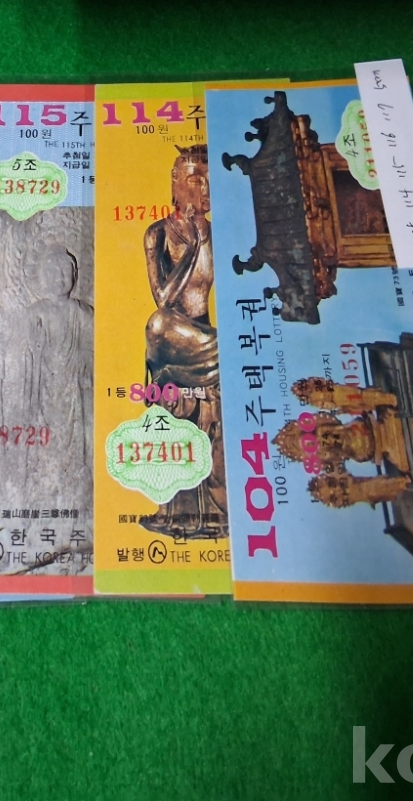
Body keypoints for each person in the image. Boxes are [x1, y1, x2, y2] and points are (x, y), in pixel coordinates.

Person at [140, 145, 228, 540]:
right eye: (195, 181)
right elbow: (163, 297)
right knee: (158, 321)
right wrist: (191, 248)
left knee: (211, 420)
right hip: (173, 336)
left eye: (208, 181)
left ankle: (215, 508)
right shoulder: (158, 233)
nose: (204, 189)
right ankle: (175, 509)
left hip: (206, 336)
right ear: (176, 185)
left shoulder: (220, 232)